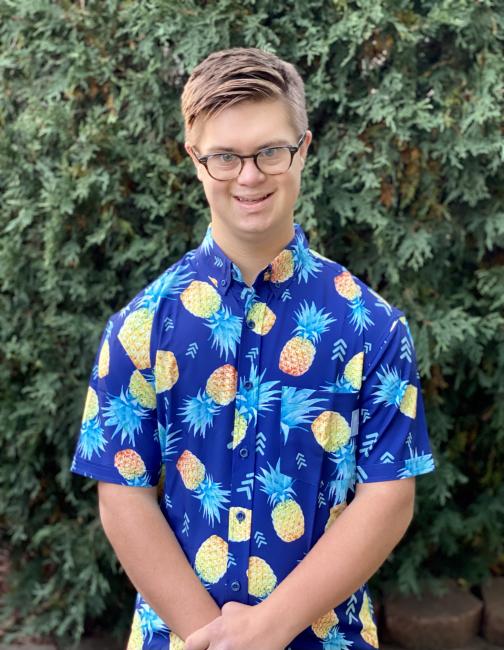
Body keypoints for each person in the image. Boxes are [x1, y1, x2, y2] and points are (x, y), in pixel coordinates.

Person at [70, 47, 435, 650]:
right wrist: (209, 637)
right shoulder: (140, 327)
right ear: (195, 161)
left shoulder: (373, 327)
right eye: (225, 157)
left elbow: (389, 496)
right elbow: (123, 492)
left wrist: (268, 628)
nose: (249, 176)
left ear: (304, 149)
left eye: (270, 150)